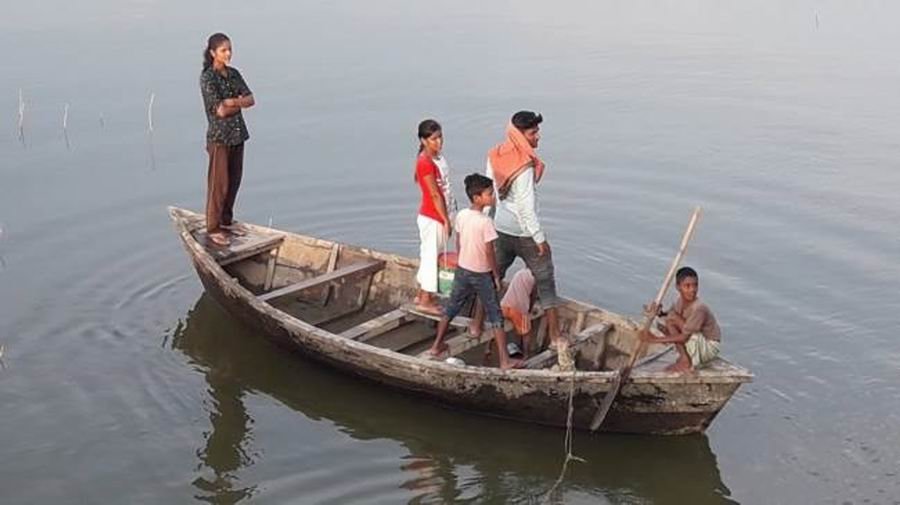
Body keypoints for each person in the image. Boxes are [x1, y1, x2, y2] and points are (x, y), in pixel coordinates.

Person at [473, 111, 564, 348]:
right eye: (533, 133)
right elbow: (526, 208)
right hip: (524, 233)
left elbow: (489, 192)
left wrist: (486, 222)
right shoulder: (524, 165)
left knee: (491, 277)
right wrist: (539, 238)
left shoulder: (495, 154)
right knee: (546, 281)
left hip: (500, 228)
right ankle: (555, 336)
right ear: (520, 135)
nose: (538, 137)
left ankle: (476, 324)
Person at [428, 174, 522, 369]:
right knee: (495, 315)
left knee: (451, 307)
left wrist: (462, 258)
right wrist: (495, 275)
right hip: (481, 273)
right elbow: (489, 252)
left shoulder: (462, 215)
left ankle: (436, 346)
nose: (493, 197)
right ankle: (505, 360)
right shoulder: (485, 222)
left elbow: (459, 241)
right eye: (489, 194)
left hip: (463, 269)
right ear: (477, 198)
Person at [200, 32, 255, 247]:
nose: (228, 53)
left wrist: (231, 102)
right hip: (220, 138)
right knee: (219, 184)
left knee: (234, 181)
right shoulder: (208, 78)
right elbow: (220, 111)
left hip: (238, 135)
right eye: (223, 50)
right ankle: (213, 227)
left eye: (229, 49)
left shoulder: (233, 74)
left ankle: (226, 221)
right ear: (213, 53)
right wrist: (237, 103)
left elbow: (250, 99)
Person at [640, 267, 722, 373]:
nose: (692, 290)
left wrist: (654, 339)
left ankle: (685, 361)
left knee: (672, 319)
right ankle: (685, 356)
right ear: (678, 287)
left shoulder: (699, 308)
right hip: (695, 339)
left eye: (695, 285)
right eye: (687, 286)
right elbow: (668, 315)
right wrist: (659, 313)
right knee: (665, 322)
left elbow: (684, 337)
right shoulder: (680, 302)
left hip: (709, 347)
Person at [413, 119, 457, 314]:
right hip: (433, 217)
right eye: (433, 139)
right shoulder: (424, 163)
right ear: (424, 141)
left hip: (442, 213)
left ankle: (423, 294)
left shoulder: (438, 158)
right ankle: (425, 300)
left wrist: (450, 215)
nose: (438, 142)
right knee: (431, 257)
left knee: (430, 255)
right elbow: (434, 194)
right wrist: (445, 219)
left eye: (440, 137)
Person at [500, 268, 537, 357]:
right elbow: (533, 296)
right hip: (518, 310)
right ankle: (526, 355)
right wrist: (529, 310)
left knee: (498, 327)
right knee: (526, 333)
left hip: (504, 306)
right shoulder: (535, 278)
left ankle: (488, 349)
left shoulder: (520, 272)